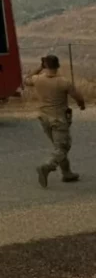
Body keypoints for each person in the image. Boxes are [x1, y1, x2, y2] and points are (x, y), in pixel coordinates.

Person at [26, 55, 86, 187]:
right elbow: (78, 96)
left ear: (45, 66)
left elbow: (26, 79)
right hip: (59, 119)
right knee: (63, 147)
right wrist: (81, 105)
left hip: (44, 117)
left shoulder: (37, 79)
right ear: (58, 65)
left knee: (58, 146)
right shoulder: (63, 82)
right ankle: (48, 166)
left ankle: (67, 173)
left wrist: (39, 68)